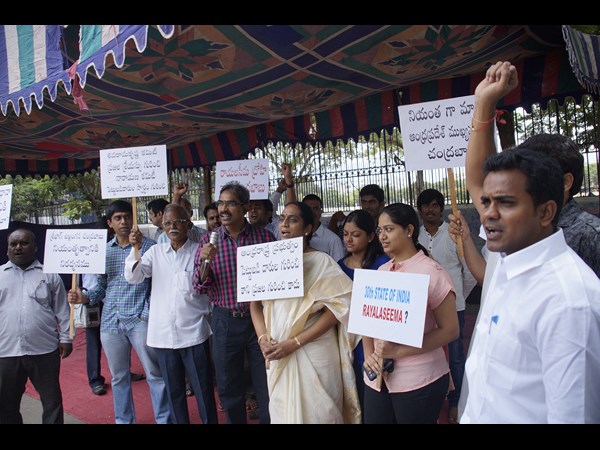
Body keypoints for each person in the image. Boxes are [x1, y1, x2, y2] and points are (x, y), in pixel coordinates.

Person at [459, 61, 600, 423]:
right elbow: (477, 180)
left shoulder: (568, 302)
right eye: (487, 202)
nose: (488, 214)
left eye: (506, 203)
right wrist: (483, 103)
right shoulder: (509, 256)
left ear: (546, 210)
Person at [250, 201, 361, 423]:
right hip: (276, 352)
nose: (285, 224)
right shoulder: (266, 260)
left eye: (293, 220)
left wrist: (295, 343)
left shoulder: (322, 262)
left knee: (320, 414)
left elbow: (341, 307)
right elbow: (254, 304)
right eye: (282, 218)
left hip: (314, 351)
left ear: (308, 228)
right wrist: (262, 338)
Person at [68, 200, 171, 424]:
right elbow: (100, 287)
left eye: (127, 216)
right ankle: (124, 420)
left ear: (133, 218)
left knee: (154, 374)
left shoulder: (149, 247)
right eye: (118, 218)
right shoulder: (103, 251)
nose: (123, 221)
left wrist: (145, 314)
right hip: (110, 322)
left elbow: (158, 285)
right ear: (110, 223)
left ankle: (164, 419)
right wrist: (84, 297)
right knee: (119, 377)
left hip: (140, 320)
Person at [362, 203, 459, 424]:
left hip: (419, 378)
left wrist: (398, 351)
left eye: (389, 229)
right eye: (379, 230)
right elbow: (367, 321)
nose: (382, 236)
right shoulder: (382, 271)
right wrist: (369, 355)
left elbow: (450, 330)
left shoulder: (432, 272)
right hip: (377, 378)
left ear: (409, 230)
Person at [125, 203, 217, 424]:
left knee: (203, 390)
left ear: (189, 224)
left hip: (194, 333)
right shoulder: (155, 252)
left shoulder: (199, 251)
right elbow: (134, 277)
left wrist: (207, 261)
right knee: (174, 392)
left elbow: (207, 284)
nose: (173, 226)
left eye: (178, 222)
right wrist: (134, 249)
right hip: (163, 336)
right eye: (168, 223)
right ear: (163, 226)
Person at [193, 181, 276, 424]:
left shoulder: (264, 238)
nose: (223, 209)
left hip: (261, 321)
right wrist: (205, 263)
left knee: (266, 380)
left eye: (230, 203)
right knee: (229, 384)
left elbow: (277, 279)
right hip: (225, 319)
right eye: (220, 203)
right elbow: (199, 286)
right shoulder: (208, 242)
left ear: (245, 207)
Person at [0, 228, 73, 424]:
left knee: (52, 402)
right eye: (13, 244)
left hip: (44, 350)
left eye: (24, 243)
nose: (18, 247)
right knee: (6, 404)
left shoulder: (50, 274)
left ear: (35, 247)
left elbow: (62, 310)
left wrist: (66, 338)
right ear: (7, 249)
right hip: (6, 352)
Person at [416, 188, 477, 424]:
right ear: (419, 210)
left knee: (455, 357)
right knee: (427, 355)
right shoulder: (415, 236)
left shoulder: (454, 235)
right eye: (425, 206)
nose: (430, 210)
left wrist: (456, 298)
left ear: (441, 209)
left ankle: (456, 402)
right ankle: (432, 402)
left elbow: (469, 272)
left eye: (434, 205)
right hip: (423, 309)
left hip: (454, 308)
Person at [337, 209, 389, 420]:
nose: (348, 239)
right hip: (349, 339)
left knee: (377, 399)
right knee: (356, 394)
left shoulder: (383, 264)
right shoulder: (339, 267)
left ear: (370, 237)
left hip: (378, 339)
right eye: (345, 234)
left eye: (355, 234)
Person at [302, 194, 345, 261]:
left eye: (315, 208)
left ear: (321, 211)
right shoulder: (296, 237)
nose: (312, 212)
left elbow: (338, 266)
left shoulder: (333, 239)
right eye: (308, 209)